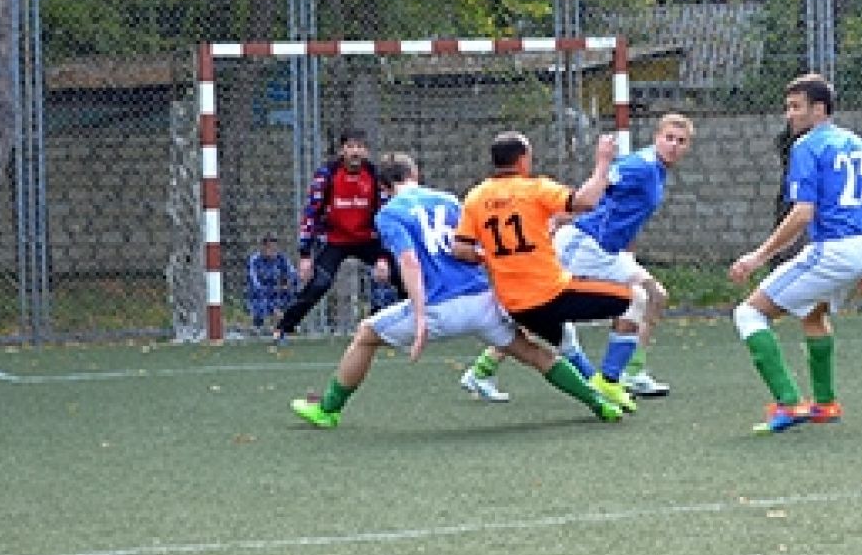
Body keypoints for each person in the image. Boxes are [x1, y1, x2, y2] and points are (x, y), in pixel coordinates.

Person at [290, 153, 624, 429]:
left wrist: (420, 316)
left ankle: (328, 410)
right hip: (482, 303)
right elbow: (471, 247)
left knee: (365, 335)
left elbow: (409, 262)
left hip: (439, 309)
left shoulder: (389, 214)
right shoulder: (450, 200)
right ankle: (598, 403)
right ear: (415, 174)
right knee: (537, 355)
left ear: (383, 188)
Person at [462, 113, 696, 401]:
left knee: (655, 295)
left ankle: (631, 372)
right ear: (656, 137)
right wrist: (559, 217)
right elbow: (596, 190)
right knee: (540, 309)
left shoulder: (657, 170)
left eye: (681, 141)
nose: (673, 145)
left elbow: (626, 212)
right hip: (584, 243)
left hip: (606, 250)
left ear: (687, 146)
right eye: (669, 138)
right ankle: (482, 370)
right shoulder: (640, 166)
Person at [728, 73, 862, 434]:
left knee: (749, 314)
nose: (789, 114)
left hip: (833, 250)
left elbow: (802, 213)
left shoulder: (807, 146)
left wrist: (758, 257)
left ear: (819, 109)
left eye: (796, 107)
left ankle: (788, 402)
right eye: (787, 107)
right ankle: (825, 403)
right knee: (813, 316)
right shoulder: (861, 145)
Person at [453, 131, 650, 416]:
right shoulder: (534, 189)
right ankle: (609, 380)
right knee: (637, 299)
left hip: (516, 304)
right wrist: (602, 162)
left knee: (566, 341)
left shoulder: (475, 197)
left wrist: (490, 257)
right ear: (523, 160)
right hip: (551, 293)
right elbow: (586, 201)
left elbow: (460, 249)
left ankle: (600, 401)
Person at [272, 128, 404, 342]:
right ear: (342, 151)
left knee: (401, 275)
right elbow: (311, 213)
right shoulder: (327, 175)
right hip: (335, 240)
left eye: (360, 147)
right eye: (350, 147)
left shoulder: (376, 176)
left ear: (366, 151)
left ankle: (416, 322)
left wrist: (384, 257)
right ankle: (284, 328)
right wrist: (305, 254)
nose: (355, 152)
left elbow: (386, 217)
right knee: (319, 283)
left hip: (368, 239)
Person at [246, 235, 298, 330]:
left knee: (294, 291)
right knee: (258, 296)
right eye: (270, 248)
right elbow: (254, 282)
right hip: (262, 291)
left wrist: (287, 284)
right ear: (263, 248)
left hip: (278, 289)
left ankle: (288, 322)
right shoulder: (255, 260)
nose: (273, 251)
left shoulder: (281, 258)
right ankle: (259, 325)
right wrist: (273, 308)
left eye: (275, 248)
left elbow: (293, 273)